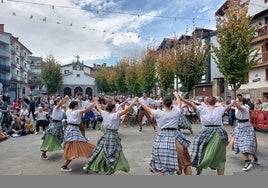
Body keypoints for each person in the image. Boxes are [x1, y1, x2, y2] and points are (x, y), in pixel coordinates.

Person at [138, 91, 192, 175]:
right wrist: (177, 95)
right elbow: (179, 103)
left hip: (162, 138)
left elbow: (146, 108)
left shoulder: (158, 113)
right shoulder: (176, 111)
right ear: (171, 103)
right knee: (186, 162)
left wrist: (138, 101)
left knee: (162, 167)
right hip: (176, 136)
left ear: (163, 104)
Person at [179, 95, 234, 175]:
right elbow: (228, 107)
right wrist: (232, 103)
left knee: (200, 150)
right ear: (215, 102)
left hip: (205, 131)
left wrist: (180, 98)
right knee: (220, 158)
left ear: (207, 102)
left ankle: (199, 167)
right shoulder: (220, 109)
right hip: (218, 133)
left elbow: (190, 104)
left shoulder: (202, 108)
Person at [83, 96, 138, 175]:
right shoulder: (115, 115)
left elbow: (98, 107)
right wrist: (134, 101)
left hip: (107, 134)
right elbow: (126, 110)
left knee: (101, 150)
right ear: (113, 108)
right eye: (115, 107)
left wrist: (95, 101)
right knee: (112, 152)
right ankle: (108, 169)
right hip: (112, 135)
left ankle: (91, 165)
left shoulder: (105, 113)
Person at [60, 100, 96, 172]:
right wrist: (95, 102)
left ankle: (65, 165)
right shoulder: (76, 111)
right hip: (74, 129)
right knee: (76, 146)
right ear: (76, 105)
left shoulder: (68, 111)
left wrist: (66, 100)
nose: (79, 105)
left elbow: (67, 106)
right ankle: (64, 166)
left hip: (70, 129)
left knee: (73, 147)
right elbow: (87, 109)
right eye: (78, 104)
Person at [232, 96, 260, 171]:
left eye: (237, 101)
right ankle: (255, 159)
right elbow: (234, 107)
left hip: (246, 127)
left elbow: (240, 108)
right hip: (239, 126)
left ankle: (247, 163)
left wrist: (234, 103)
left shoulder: (245, 107)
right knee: (247, 145)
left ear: (241, 102)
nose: (236, 102)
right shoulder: (237, 107)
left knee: (245, 145)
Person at [40, 96, 69, 160]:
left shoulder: (61, 110)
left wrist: (66, 101)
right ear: (56, 103)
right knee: (50, 139)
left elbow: (67, 108)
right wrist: (64, 99)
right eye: (58, 101)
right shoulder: (56, 107)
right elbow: (59, 104)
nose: (60, 102)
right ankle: (43, 153)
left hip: (59, 124)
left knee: (61, 138)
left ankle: (66, 150)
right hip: (54, 125)